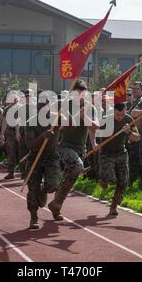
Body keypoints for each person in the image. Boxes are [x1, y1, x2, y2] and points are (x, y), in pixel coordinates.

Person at [47, 80, 99, 222]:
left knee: (71, 176)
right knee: (78, 167)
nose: (81, 93)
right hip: (64, 146)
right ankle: (50, 191)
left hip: (80, 149)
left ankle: (56, 204)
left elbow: (95, 127)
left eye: (84, 90)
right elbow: (57, 124)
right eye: (79, 90)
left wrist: (84, 117)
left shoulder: (90, 108)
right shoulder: (65, 105)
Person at [25, 92, 61, 229]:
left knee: (52, 185)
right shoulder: (31, 122)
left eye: (46, 103)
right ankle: (34, 217)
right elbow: (30, 145)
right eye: (41, 104)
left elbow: (71, 124)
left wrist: (64, 108)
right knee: (32, 189)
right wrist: (42, 136)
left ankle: (44, 190)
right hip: (35, 158)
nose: (44, 106)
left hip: (51, 158)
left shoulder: (56, 118)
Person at [99, 102, 139, 216]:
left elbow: (136, 138)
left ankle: (113, 207)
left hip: (121, 152)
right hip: (106, 153)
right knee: (112, 180)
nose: (120, 117)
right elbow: (92, 129)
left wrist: (129, 131)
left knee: (123, 182)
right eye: (117, 115)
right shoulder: (106, 119)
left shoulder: (128, 119)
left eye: (122, 114)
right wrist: (94, 143)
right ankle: (104, 178)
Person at [127, 82, 142, 183]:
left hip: (138, 134)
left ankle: (133, 181)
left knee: (135, 159)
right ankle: (132, 180)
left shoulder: (141, 101)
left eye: (136, 89)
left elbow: (136, 118)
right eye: (133, 88)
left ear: (141, 90)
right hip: (132, 133)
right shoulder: (134, 101)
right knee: (132, 159)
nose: (134, 91)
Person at [1, 98, 20, 179]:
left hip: (21, 133)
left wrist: (17, 132)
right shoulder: (6, 109)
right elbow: (4, 122)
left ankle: (23, 172)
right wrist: (2, 134)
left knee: (22, 152)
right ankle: (11, 172)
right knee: (11, 153)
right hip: (10, 133)